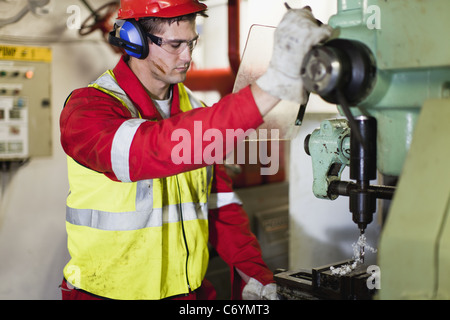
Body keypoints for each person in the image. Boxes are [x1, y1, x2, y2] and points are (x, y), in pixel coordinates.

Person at [59, 0, 332, 300]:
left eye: (192, 42)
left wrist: (255, 274)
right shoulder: (88, 111)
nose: (187, 56)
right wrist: (273, 85)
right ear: (134, 40)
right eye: (175, 44)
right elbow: (156, 148)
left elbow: (221, 206)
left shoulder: (195, 109)